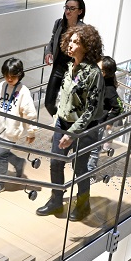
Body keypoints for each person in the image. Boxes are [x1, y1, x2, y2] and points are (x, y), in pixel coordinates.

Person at [36, 24, 104, 222]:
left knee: (79, 167)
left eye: (76, 42)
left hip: (83, 129)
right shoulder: (68, 67)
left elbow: (91, 111)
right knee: (56, 162)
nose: (71, 45)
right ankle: (56, 200)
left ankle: (83, 205)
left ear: (87, 46)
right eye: (71, 41)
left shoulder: (94, 74)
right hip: (62, 123)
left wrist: (72, 133)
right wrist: (60, 119)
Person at [0, 58, 38, 196]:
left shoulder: (23, 91)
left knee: (1, 156)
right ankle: (18, 163)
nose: (9, 78)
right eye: (6, 75)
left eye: (13, 75)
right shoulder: (2, 86)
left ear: (20, 74)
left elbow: (29, 113)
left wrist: (31, 132)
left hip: (12, 131)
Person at [44, 0, 85, 116]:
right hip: (58, 67)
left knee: (70, 105)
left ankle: (65, 128)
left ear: (80, 11)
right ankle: (59, 122)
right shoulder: (59, 24)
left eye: (72, 8)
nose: (68, 11)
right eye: (66, 8)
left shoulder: (83, 30)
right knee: (49, 104)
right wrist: (48, 52)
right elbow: (52, 40)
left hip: (74, 71)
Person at [87, 56, 124, 172]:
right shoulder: (96, 82)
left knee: (94, 149)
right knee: (86, 147)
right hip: (88, 120)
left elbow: (118, 107)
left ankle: (90, 173)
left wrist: (109, 121)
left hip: (98, 123)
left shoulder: (109, 89)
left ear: (103, 73)